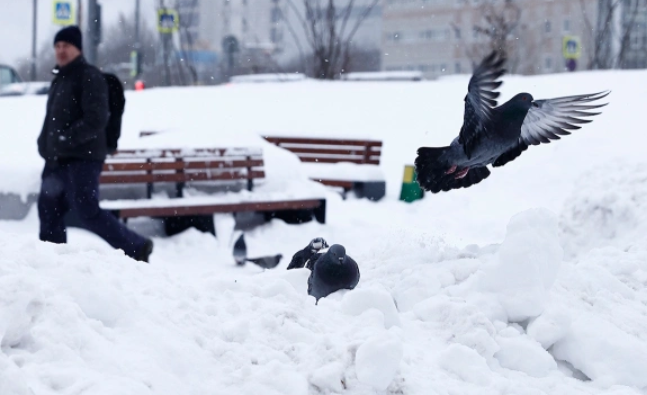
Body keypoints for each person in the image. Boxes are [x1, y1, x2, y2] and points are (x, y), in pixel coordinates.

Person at [37, 26, 153, 262]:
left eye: (66, 46)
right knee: (48, 210)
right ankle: (51, 260)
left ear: (77, 48)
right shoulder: (60, 78)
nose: (61, 51)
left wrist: (65, 139)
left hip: (83, 158)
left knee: (87, 212)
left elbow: (96, 118)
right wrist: (44, 141)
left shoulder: (89, 76)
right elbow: (52, 117)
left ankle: (137, 247)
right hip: (57, 159)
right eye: (58, 46)